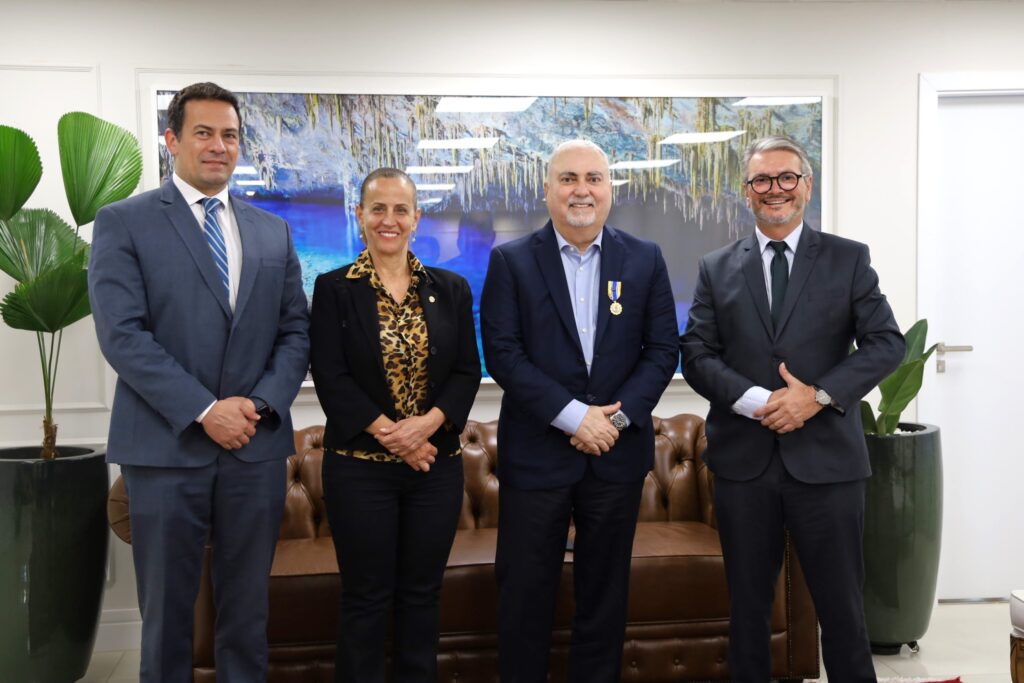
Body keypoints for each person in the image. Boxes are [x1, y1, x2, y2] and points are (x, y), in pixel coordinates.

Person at [88, 82, 310, 682]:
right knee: (166, 616)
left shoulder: (272, 231)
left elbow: (296, 333)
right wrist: (205, 409)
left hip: (255, 447)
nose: (219, 146)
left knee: (246, 611)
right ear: (172, 141)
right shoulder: (123, 223)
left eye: (230, 135)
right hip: (166, 448)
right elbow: (123, 336)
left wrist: (258, 406)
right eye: (204, 133)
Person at [680, 135, 905, 682]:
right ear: (746, 192)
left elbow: (886, 343)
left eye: (786, 178)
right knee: (749, 612)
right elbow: (696, 353)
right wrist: (759, 402)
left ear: (807, 186)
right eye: (762, 180)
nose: (774, 189)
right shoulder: (716, 266)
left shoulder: (848, 259)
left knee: (843, 612)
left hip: (827, 464)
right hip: (744, 465)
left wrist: (816, 396)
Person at [480, 139, 678, 682]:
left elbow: (662, 352)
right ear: (547, 190)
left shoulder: (645, 258)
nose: (581, 189)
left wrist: (611, 421)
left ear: (610, 190)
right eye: (568, 178)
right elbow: (503, 353)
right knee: (523, 594)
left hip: (615, 456)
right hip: (537, 457)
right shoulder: (511, 261)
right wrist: (573, 416)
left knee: (605, 595)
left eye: (594, 178)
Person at [309, 167, 481, 683]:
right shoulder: (334, 288)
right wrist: (397, 436)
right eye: (377, 209)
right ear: (359, 216)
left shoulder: (449, 288)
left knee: (422, 596)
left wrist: (424, 427)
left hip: (436, 470)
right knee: (366, 599)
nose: (390, 220)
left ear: (416, 218)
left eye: (400, 209)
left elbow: (466, 372)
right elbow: (331, 377)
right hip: (359, 472)